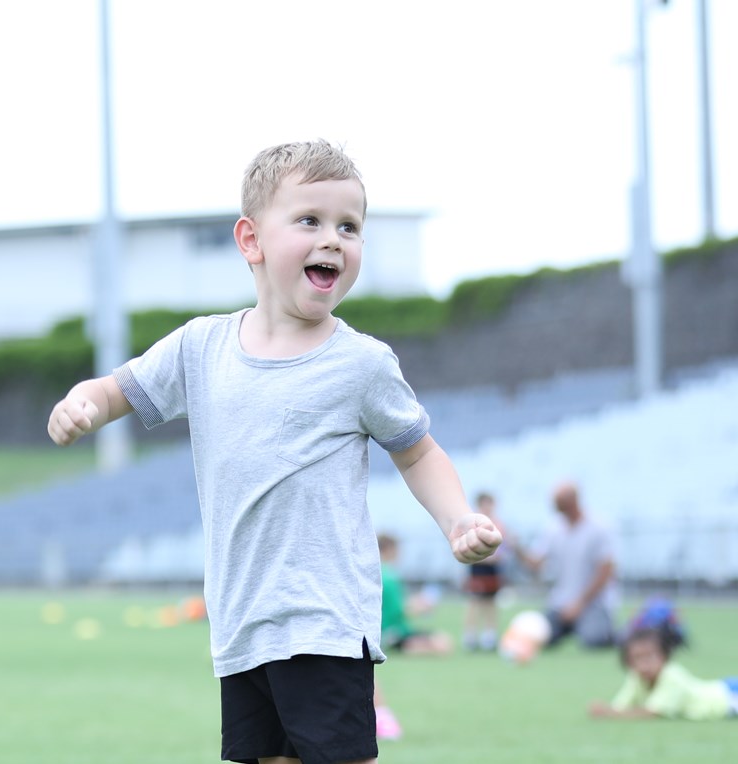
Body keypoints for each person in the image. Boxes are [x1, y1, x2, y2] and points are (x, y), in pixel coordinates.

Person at [46, 141, 502, 764]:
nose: (333, 239)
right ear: (251, 239)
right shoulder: (200, 348)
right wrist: (81, 404)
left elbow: (418, 453)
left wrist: (457, 519)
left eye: (349, 226)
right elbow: (115, 389)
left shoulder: (361, 364)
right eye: (309, 220)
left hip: (324, 622)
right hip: (241, 625)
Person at [517, 481, 618, 650]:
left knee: (594, 640)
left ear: (572, 501)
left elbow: (605, 572)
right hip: (560, 605)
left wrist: (580, 604)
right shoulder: (553, 528)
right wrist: (514, 545)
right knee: (536, 639)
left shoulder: (600, 527)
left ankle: (610, 632)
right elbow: (535, 563)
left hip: (593, 605)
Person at [589, 627, 737, 721]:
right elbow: (621, 706)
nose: (643, 665)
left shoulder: (672, 675)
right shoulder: (636, 677)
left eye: (650, 657)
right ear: (628, 662)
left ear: (664, 657)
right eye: (637, 659)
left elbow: (654, 713)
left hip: (727, 697)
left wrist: (609, 714)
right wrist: (607, 710)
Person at [377, 534, 451, 656]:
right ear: (390, 550)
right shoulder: (388, 577)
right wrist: (420, 607)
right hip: (392, 631)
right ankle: (391, 646)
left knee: (441, 641)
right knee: (442, 643)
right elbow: (399, 610)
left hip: (391, 630)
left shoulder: (378, 573)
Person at [460, 492, 509, 652]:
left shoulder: (497, 524)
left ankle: (490, 635)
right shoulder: (473, 523)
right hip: (477, 567)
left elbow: (503, 548)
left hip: (492, 569)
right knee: (474, 601)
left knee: (491, 601)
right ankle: (470, 636)